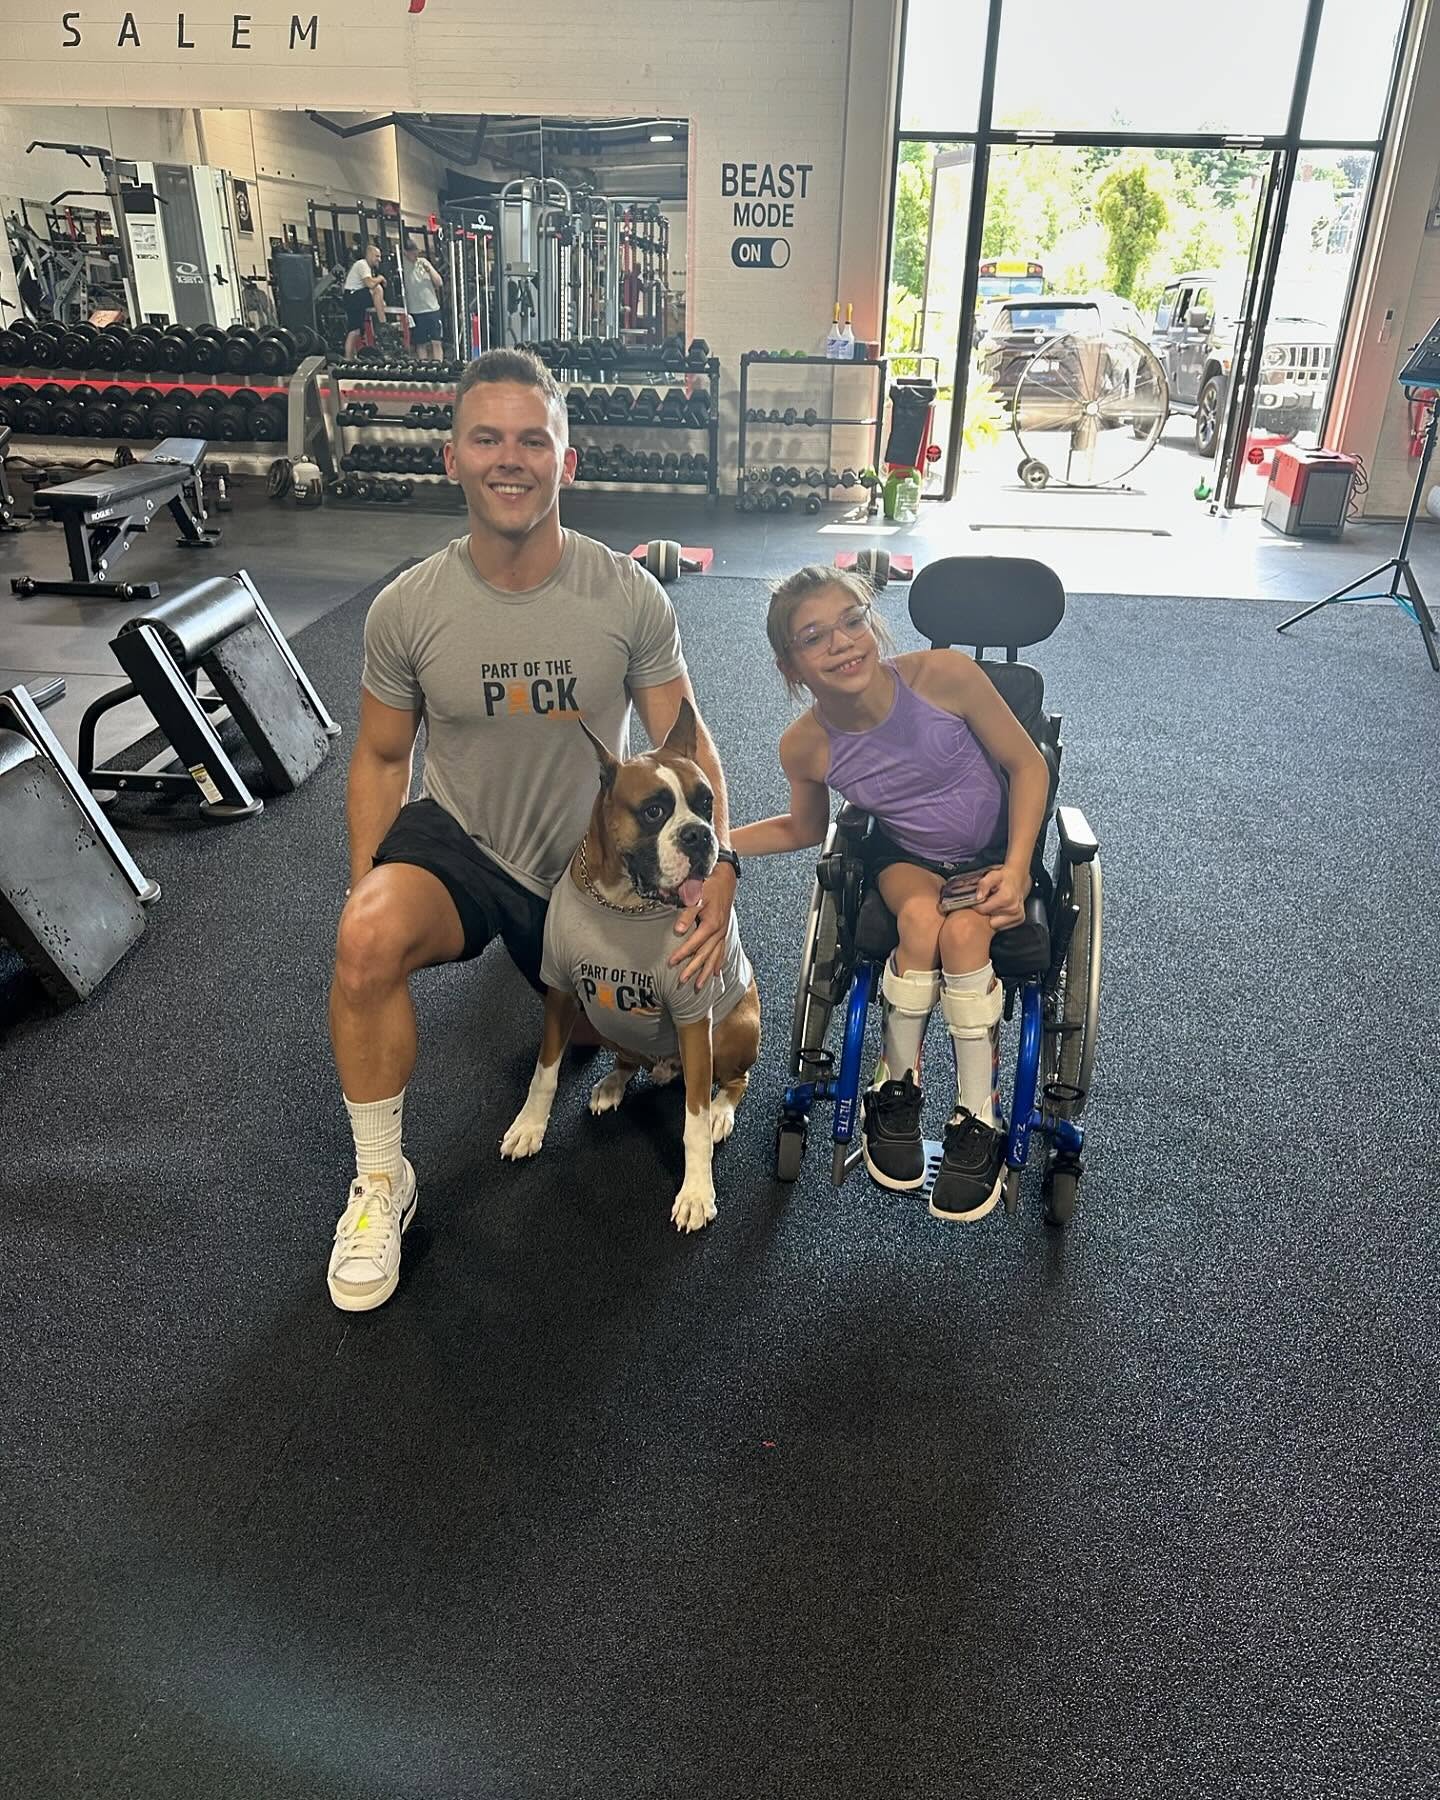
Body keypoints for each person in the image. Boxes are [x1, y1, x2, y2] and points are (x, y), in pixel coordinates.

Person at [325, 348, 738, 1312]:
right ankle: (381, 1183)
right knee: (365, 942)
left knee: (618, 1039)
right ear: (452, 458)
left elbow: (686, 745)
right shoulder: (408, 607)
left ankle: (571, 996)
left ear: (567, 461)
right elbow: (382, 758)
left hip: (591, 877)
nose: (509, 458)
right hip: (465, 848)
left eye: (532, 440)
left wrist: (720, 870)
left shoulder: (627, 595)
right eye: (486, 439)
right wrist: (365, 884)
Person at [730, 565, 1049, 1223]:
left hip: (994, 853)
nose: (842, 643)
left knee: (963, 933)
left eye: (852, 621)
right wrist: (715, 843)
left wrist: (1018, 870)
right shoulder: (805, 746)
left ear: (871, 623)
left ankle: (978, 1114)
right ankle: (894, 1088)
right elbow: (804, 828)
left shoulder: (946, 676)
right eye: (814, 637)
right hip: (908, 860)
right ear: (790, 666)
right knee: (921, 920)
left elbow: (1028, 765)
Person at [401, 238, 446, 362]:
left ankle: (439, 366)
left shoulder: (423, 262)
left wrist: (429, 270)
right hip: (416, 311)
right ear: (406, 252)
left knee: (436, 341)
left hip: (432, 309)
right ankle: (424, 366)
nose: (415, 255)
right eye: (412, 252)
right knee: (421, 343)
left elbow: (439, 282)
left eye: (416, 252)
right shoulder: (403, 265)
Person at [342, 243, 386, 357]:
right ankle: (383, 323)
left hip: (354, 296)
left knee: (356, 331)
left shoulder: (366, 267)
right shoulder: (363, 264)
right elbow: (370, 284)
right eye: (377, 256)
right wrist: (380, 278)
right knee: (377, 288)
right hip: (353, 297)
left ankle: (350, 357)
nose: (379, 259)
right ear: (370, 255)